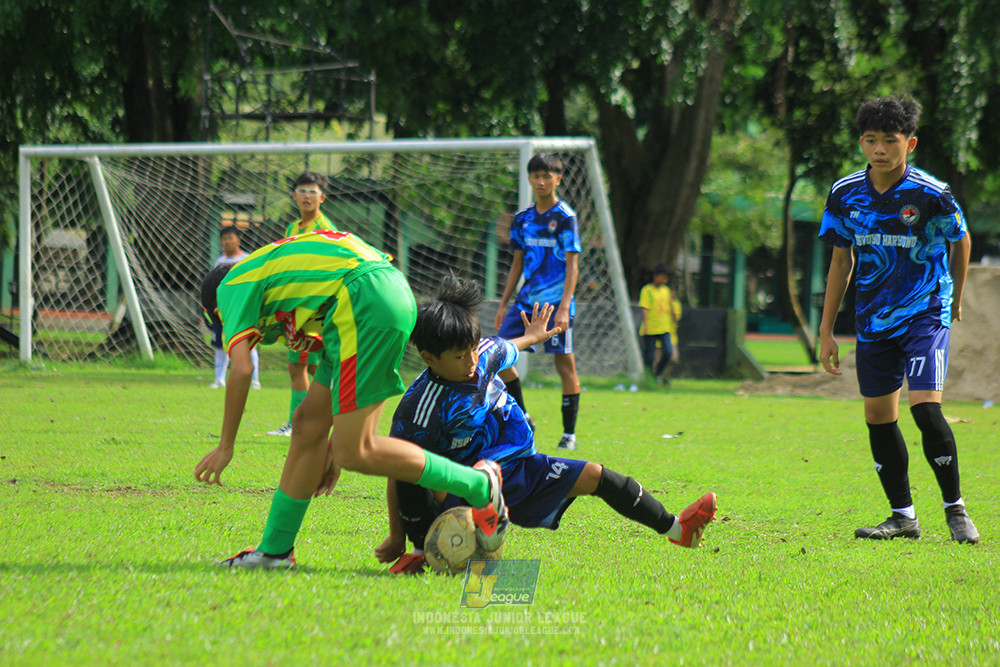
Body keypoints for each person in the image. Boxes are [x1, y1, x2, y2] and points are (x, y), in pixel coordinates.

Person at [194, 230, 508, 569]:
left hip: (361, 298)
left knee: (356, 452)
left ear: (216, 311)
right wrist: (330, 441)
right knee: (307, 425)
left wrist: (226, 446)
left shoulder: (231, 287)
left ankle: (478, 484)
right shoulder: (274, 278)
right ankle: (275, 552)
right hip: (373, 293)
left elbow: (240, 370)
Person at [379, 275, 717, 574]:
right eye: (459, 356)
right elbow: (398, 471)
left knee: (597, 475)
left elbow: (507, 347)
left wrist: (534, 336)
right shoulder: (420, 408)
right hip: (468, 486)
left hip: (524, 467)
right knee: (411, 468)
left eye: (473, 350)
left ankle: (678, 530)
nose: (471, 362)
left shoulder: (480, 355)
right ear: (429, 358)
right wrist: (398, 536)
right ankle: (425, 552)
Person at [817, 95, 978, 544]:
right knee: (878, 416)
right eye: (870, 140)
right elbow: (839, 261)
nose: (879, 150)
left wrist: (955, 299)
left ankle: (956, 510)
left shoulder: (931, 193)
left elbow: (961, 242)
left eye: (890, 140)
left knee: (925, 409)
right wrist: (827, 330)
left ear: (910, 143)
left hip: (926, 312)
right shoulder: (844, 193)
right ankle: (903, 517)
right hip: (873, 319)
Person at [494, 153, 582, 450]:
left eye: (548, 176)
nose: (541, 181)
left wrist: (565, 308)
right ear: (530, 179)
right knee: (498, 354)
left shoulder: (566, 217)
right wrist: (504, 302)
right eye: (536, 176)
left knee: (564, 365)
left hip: (555, 304)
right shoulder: (522, 220)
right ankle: (523, 416)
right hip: (525, 302)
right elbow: (516, 264)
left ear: (558, 179)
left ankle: (569, 433)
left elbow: (572, 266)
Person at [266, 171, 341, 437]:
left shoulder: (324, 229)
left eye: (312, 191)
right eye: (302, 190)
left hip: (312, 307)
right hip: (298, 303)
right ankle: (312, 423)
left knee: (296, 366)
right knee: (310, 367)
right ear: (293, 195)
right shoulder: (292, 227)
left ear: (323, 197)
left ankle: (297, 424)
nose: (306, 196)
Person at [207, 227, 260, 390]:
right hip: (223, 309)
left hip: (243, 308)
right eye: (224, 239)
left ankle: (254, 380)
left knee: (247, 341)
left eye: (230, 238)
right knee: (220, 343)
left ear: (238, 240)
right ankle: (219, 379)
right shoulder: (219, 261)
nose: (227, 242)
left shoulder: (248, 259)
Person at [638, 264, 681, 386]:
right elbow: (645, 308)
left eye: (666, 279)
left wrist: (673, 316)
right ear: (655, 276)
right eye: (662, 278)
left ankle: (658, 374)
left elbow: (669, 305)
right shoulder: (647, 290)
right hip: (650, 328)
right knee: (650, 356)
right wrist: (645, 325)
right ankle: (648, 379)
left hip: (664, 328)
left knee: (668, 352)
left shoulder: (666, 290)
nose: (664, 281)